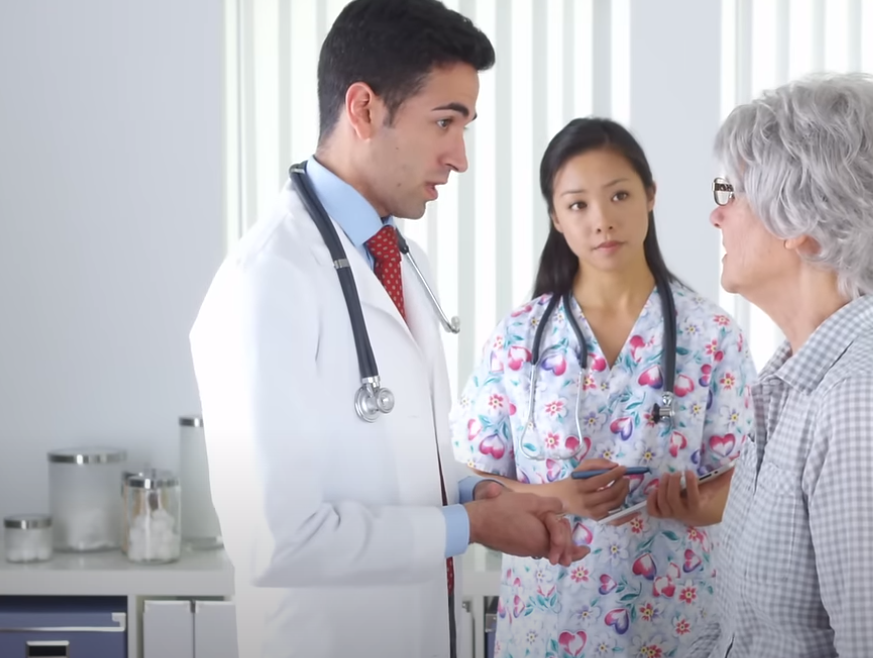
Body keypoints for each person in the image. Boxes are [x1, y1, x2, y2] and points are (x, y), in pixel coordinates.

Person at [187, 2, 585, 657]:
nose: (458, 157)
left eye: (465, 125)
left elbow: (389, 461)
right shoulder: (267, 281)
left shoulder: (395, 257)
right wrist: (470, 524)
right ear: (365, 109)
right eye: (443, 122)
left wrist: (477, 492)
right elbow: (273, 538)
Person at [450, 117, 757, 658]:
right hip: (546, 626)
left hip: (676, 625)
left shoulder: (710, 335)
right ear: (556, 218)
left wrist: (693, 504)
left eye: (619, 195)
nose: (602, 220)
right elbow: (469, 478)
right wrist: (556, 497)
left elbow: (749, 486)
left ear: (650, 196)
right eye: (577, 205)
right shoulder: (521, 337)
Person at [700, 72, 873, 657]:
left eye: (732, 192)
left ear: (800, 220)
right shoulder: (795, 384)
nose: (716, 215)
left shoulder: (863, 408)